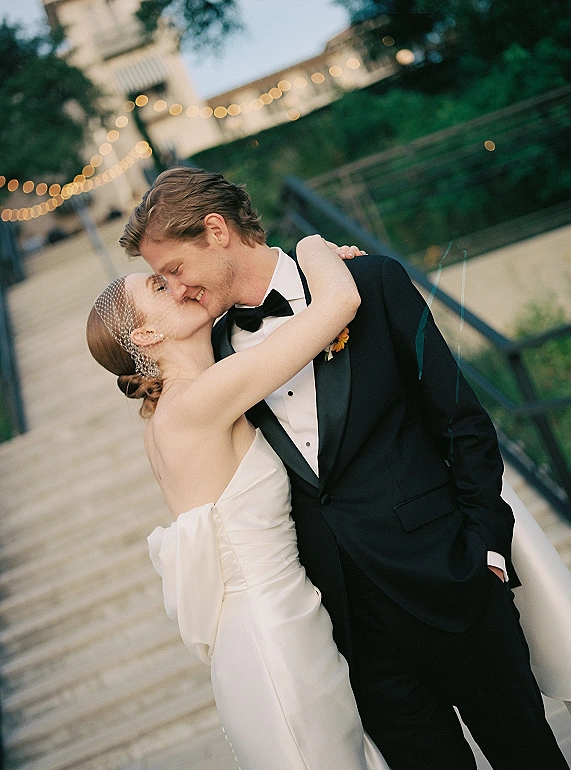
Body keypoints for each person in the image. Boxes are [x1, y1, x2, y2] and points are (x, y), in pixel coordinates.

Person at [118, 166, 571, 770]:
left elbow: (461, 421)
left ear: (217, 230)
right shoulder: (215, 355)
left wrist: (485, 551)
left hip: (453, 582)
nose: (179, 290)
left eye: (175, 270)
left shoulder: (372, 282)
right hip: (354, 635)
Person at [87, 235, 391, 769]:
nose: (179, 284)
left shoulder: (177, 405)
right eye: (160, 286)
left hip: (273, 624)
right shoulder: (199, 400)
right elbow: (340, 303)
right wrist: (312, 245)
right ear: (147, 334)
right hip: (274, 637)